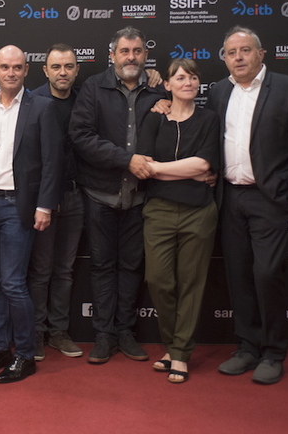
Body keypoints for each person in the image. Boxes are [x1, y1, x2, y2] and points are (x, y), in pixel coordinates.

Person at [208, 26, 288, 385]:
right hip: (230, 197)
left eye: (245, 50)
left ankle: (273, 352)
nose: (238, 57)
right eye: (231, 52)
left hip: (270, 199)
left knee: (267, 275)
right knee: (238, 276)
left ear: (261, 54)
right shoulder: (220, 91)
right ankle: (247, 347)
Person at [0, 45, 62, 384]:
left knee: (13, 283)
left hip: (19, 208)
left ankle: (24, 354)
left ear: (25, 70)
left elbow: (52, 163)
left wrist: (44, 206)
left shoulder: (42, 108)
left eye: (17, 67)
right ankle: (0, 346)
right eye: (4, 67)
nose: (10, 73)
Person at [69, 26, 165, 364]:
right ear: (112, 55)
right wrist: (127, 160)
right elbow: (81, 136)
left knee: (132, 266)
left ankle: (126, 332)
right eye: (124, 51)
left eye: (137, 51)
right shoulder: (94, 87)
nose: (131, 57)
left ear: (145, 56)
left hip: (141, 198)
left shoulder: (158, 91)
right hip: (100, 196)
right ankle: (103, 336)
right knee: (101, 267)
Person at [138, 58, 220, 383]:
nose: (188, 82)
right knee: (158, 280)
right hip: (158, 210)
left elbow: (203, 165)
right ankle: (172, 343)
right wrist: (167, 170)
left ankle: (180, 352)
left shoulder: (209, 119)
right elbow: (144, 164)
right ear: (168, 85)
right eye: (180, 77)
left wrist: (160, 169)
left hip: (199, 212)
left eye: (193, 77)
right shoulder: (154, 118)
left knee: (191, 282)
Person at [28, 44, 85, 361]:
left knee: (64, 270)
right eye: (56, 67)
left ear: (77, 70)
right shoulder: (33, 101)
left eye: (69, 66)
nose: (63, 72)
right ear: (45, 70)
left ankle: (58, 330)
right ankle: (36, 332)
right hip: (43, 200)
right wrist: (47, 199)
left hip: (76, 196)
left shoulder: (84, 101)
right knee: (40, 270)